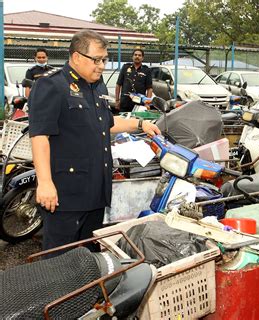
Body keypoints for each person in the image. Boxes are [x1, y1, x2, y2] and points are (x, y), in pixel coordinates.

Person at [28, 30, 161, 255]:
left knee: (87, 258)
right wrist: (45, 182)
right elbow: (40, 136)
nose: (101, 66)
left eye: (105, 60)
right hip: (66, 195)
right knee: (58, 260)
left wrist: (140, 125)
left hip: (96, 192)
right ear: (77, 56)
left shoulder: (97, 87)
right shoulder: (52, 85)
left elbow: (107, 123)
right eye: (97, 60)